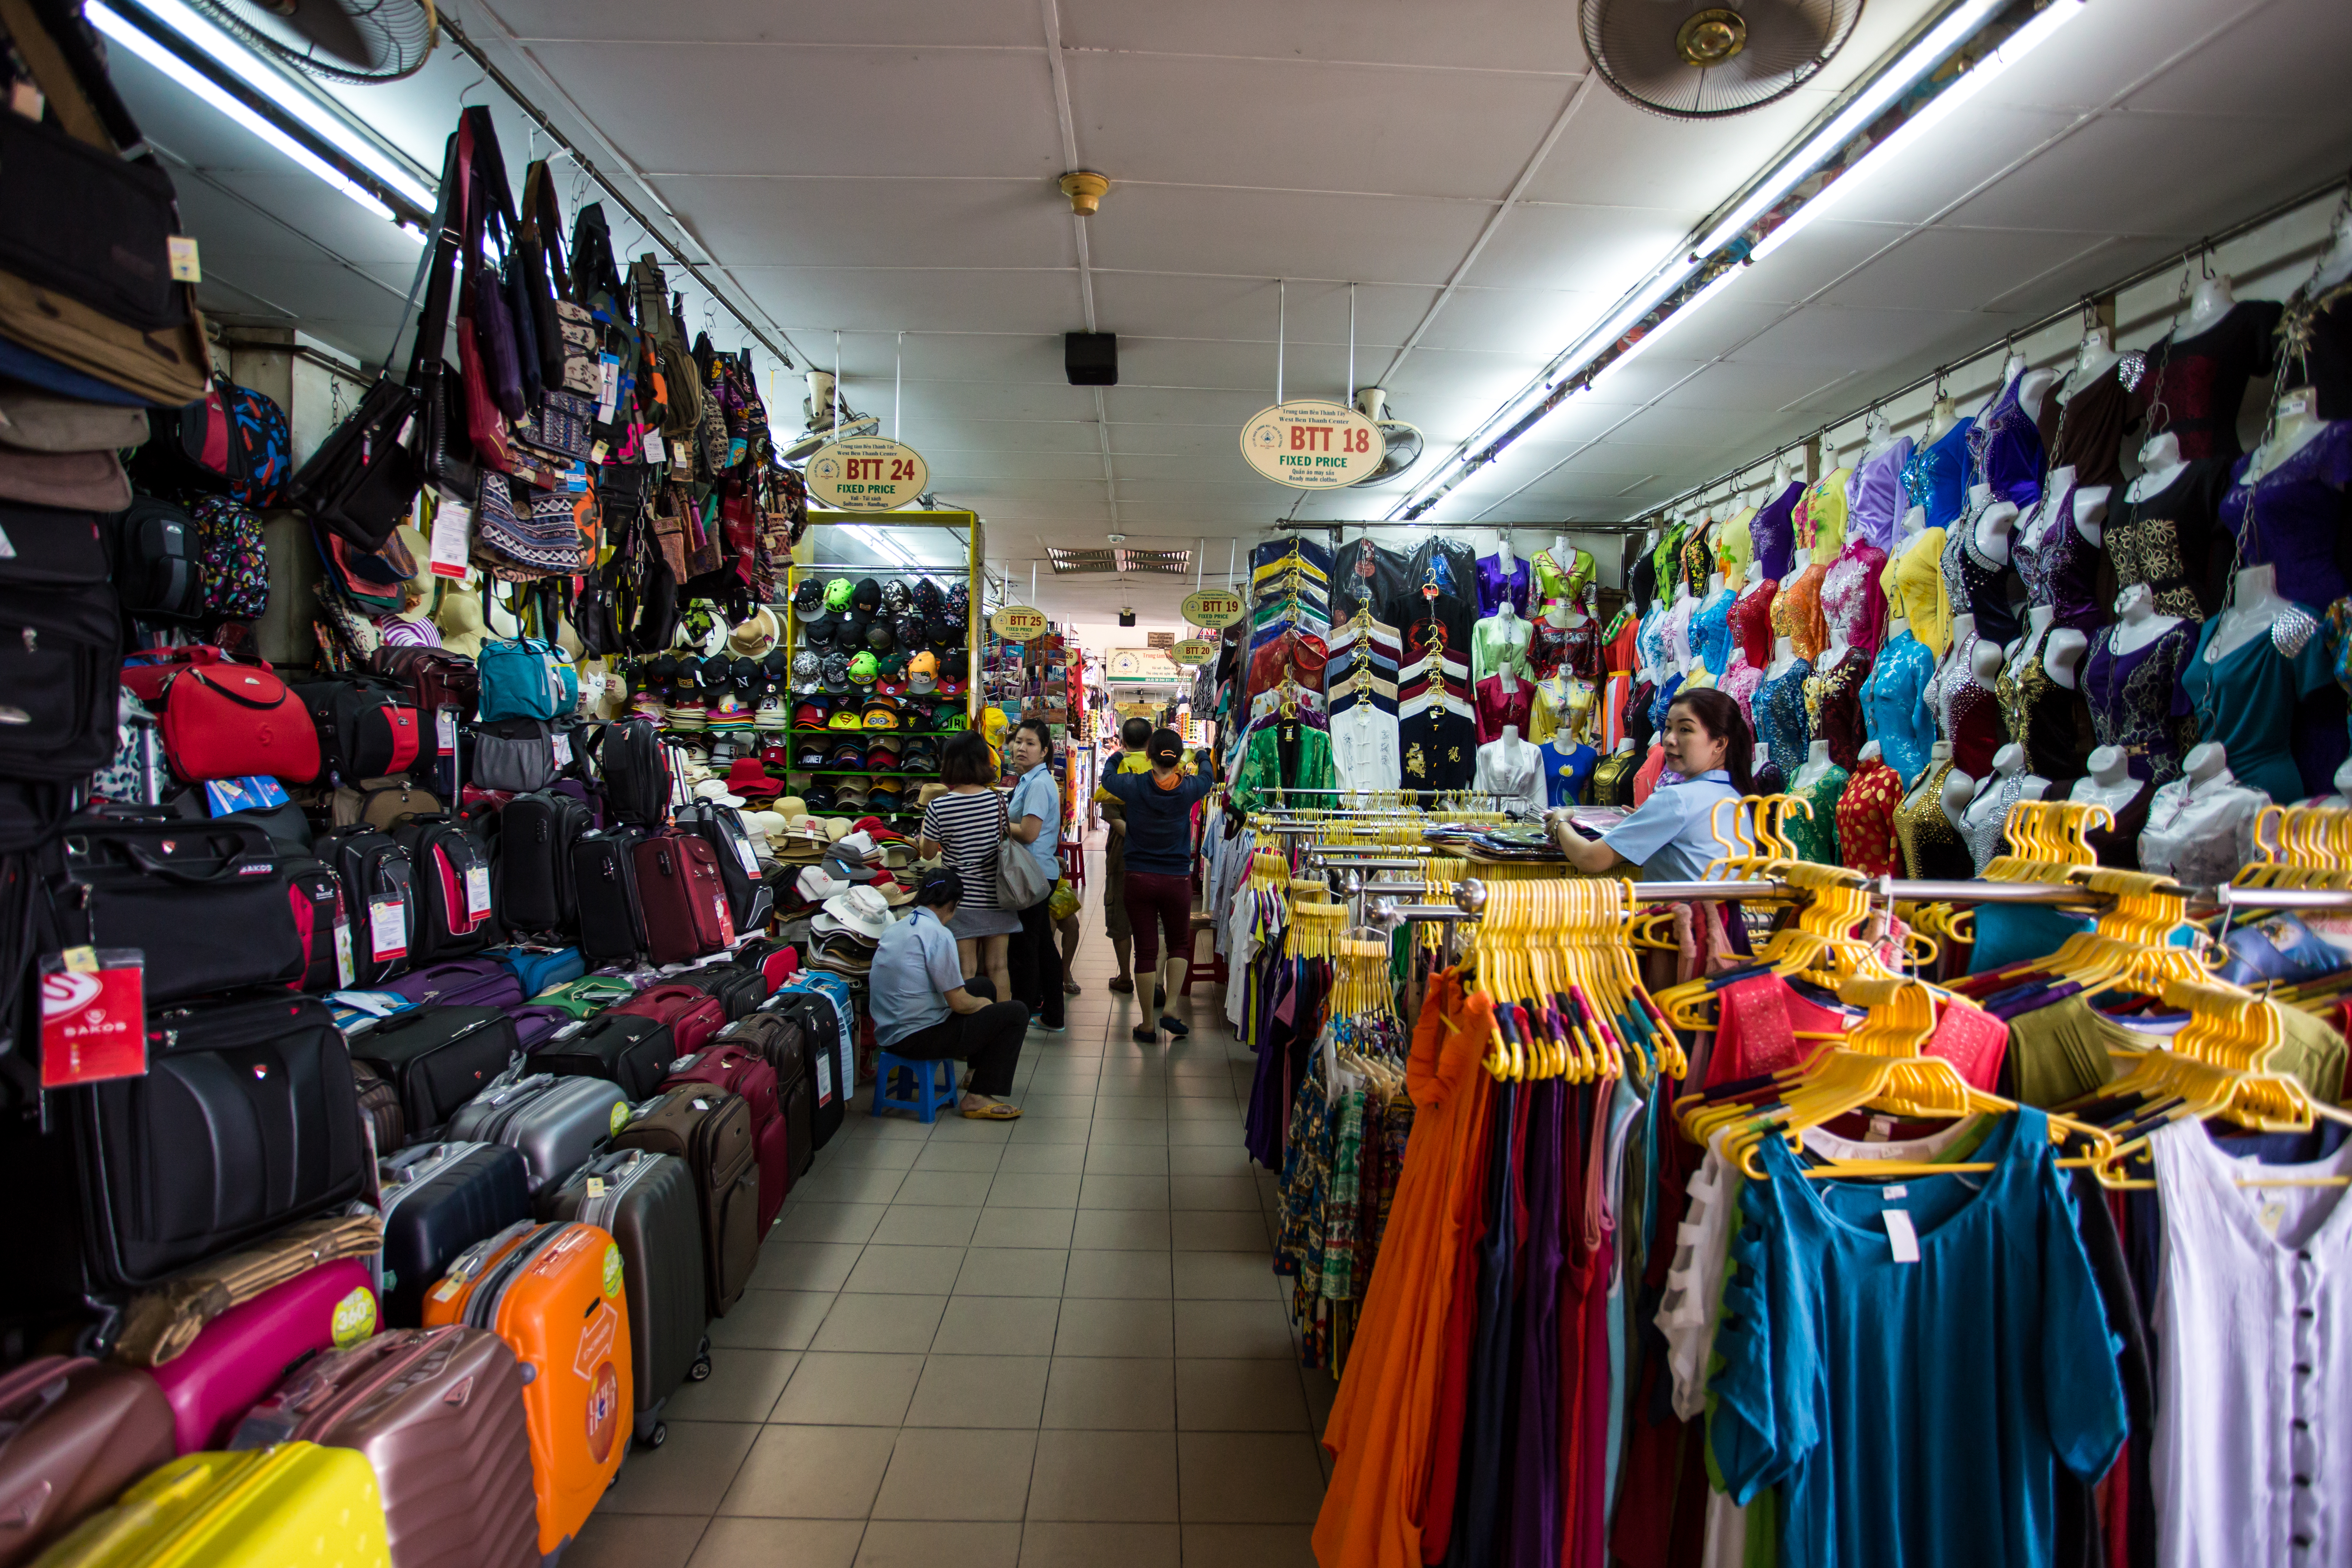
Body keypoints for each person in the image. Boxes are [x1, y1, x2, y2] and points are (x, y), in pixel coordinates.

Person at [867, 867, 1027, 1119]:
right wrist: (986, 1007)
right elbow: (959, 1003)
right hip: (914, 1037)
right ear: (953, 905)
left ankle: (976, 1071)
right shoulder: (939, 935)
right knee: (1015, 1012)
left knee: (984, 985)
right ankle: (977, 1096)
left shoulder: (898, 927)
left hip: (888, 1030)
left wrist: (981, 1001)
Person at [1547, 686, 1751, 879]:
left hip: (1681, 916)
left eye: (1686, 730)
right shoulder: (1735, 797)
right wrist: (1647, 821)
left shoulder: (1676, 799)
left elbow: (1589, 859)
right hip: (1726, 916)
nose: (1669, 739)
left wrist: (1561, 821)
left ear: (1720, 744)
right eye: (1668, 727)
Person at [1096, 727, 1216, 1043]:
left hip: (1138, 878)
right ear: (1178, 759)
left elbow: (1107, 779)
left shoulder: (1135, 785)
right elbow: (1209, 776)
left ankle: (1147, 1024)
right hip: (1176, 878)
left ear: (1148, 755)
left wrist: (1120, 754)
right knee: (1178, 943)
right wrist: (1200, 753)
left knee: (1146, 950)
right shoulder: (1190, 788)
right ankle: (1171, 1010)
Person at [919, 732, 1016, 1003]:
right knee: (999, 967)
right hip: (998, 895)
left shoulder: (939, 805)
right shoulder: (999, 801)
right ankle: (1004, 1028)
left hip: (961, 900)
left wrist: (924, 837)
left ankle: (974, 1031)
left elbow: (928, 855)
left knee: (967, 969)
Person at [1005, 716, 1066, 1032]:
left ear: (1044, 752)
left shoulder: (1039, 784)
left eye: (1030, 744)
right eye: (1018, 741)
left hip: (1033, 875)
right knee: (1040, 944)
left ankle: (1025, 1012)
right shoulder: (1031, 781)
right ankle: (1052, 1014)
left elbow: (1029, 833)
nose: (1021, 748)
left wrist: (997, 823)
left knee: (1026, 947)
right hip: (1036, 872)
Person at [1097, 715, 1155, 993]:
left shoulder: (1117, 768)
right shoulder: (1163, 767)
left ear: (1122, 739)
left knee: (1120, 914)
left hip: (1123, 853)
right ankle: (1155, 980)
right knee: (1155, 917)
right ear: (1150, 739)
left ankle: (1124, 976)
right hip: (1159, 852)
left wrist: (1134, 834)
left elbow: (1109, 814)